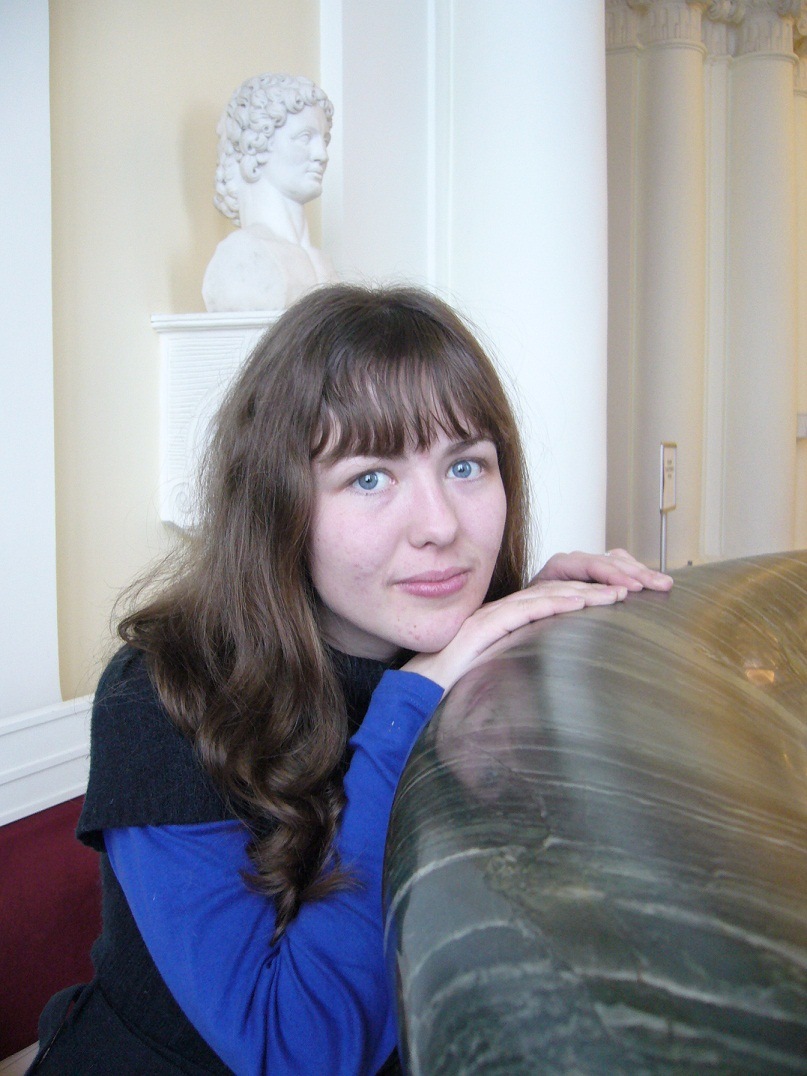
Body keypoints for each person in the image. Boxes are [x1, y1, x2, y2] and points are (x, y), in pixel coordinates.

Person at [30, 285, 672, 1075]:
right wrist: (413, 706)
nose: (440, 525)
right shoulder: (163, 693)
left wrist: (531, 653)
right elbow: (296, 1051)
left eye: (465, 465)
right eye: (370, 478)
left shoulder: (453, 658)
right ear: (279, 504)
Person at [202, 74, 337, 313]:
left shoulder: (322, 264)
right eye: (305, 137)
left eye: (324, 140)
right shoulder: (242, 258)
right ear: (255, 145)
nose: (322, 155)